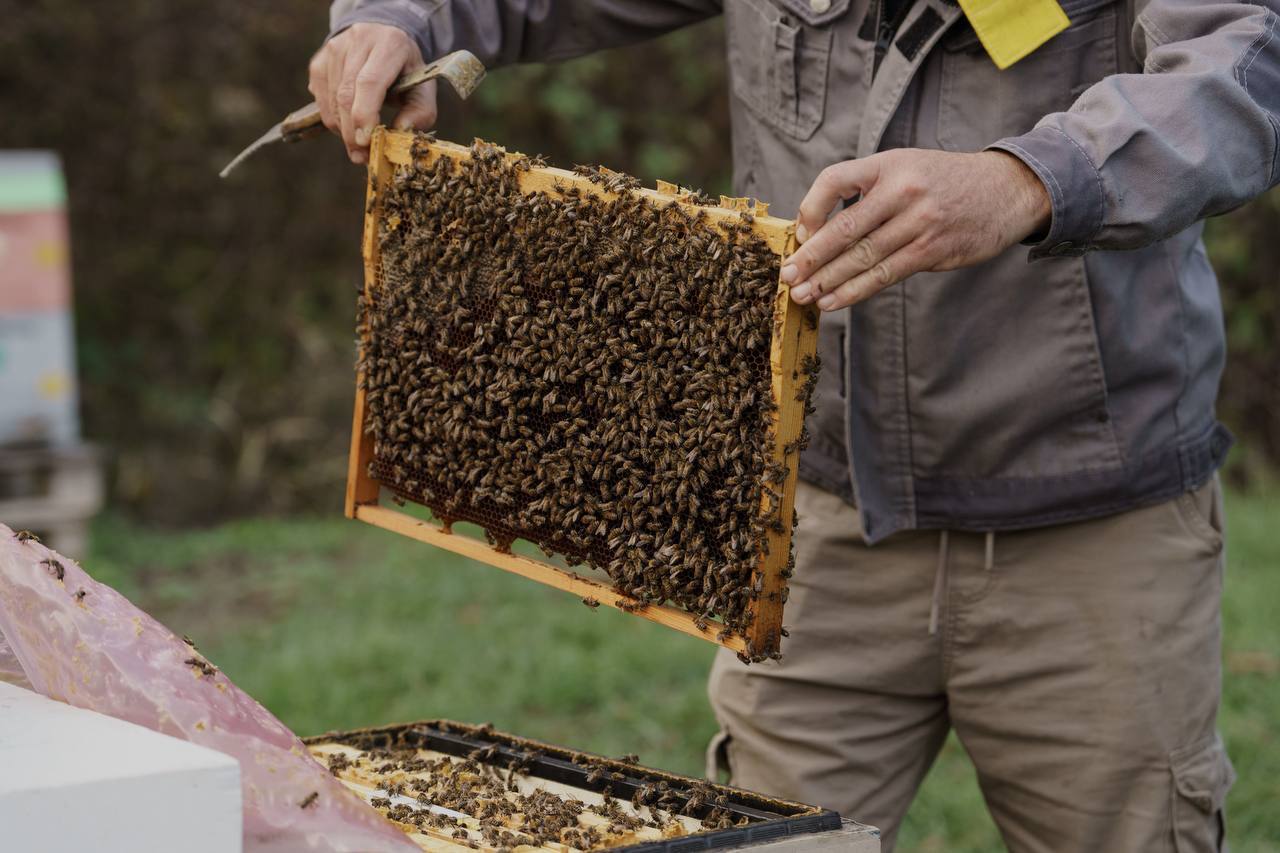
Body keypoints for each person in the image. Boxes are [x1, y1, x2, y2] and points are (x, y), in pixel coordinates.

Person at [310, 2, 1279, 850]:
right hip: (811, 537)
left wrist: (1029, 177)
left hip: (1089, 540)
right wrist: (402, 16)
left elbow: (1243, 65)